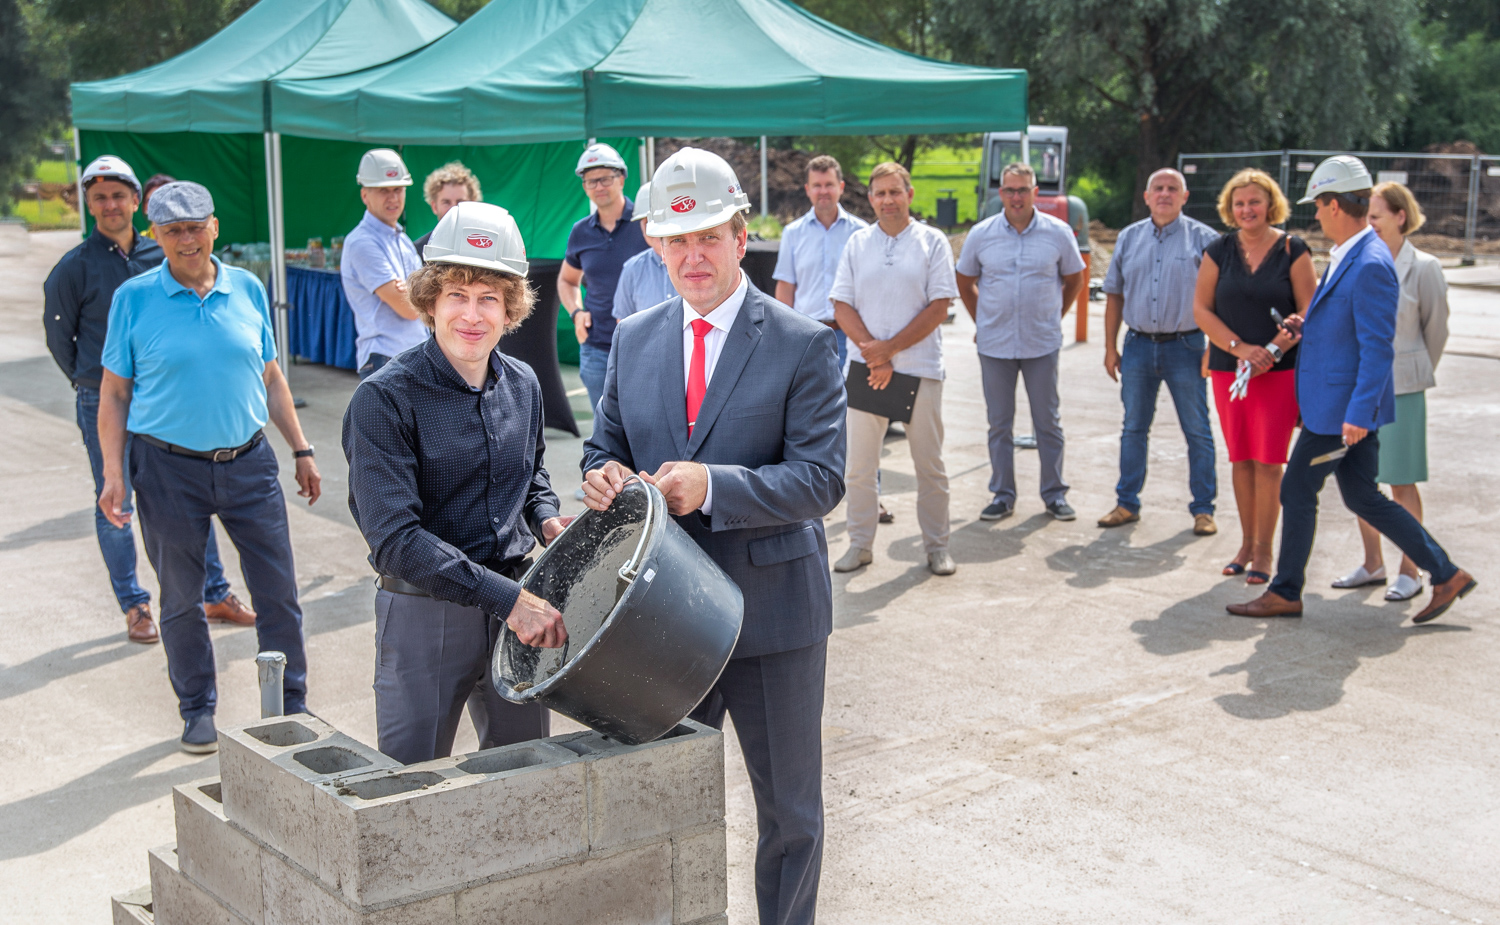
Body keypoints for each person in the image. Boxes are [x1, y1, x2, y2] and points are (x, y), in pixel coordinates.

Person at [582, 147, 845, 925]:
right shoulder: (634, 338)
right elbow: (605, 447)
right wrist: (601, 478)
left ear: (741, 236)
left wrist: (715, 485)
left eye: (710, 238)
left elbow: (821, 480)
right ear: (656, 248)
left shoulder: (802, 341)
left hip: (774, 618)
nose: (692, 256)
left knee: (790, 816)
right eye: (675, 241)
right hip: (661, 620)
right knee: (666, 811)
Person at [97, 182, 321, 753]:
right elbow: (115, 394)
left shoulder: (247, 288)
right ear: (156, 235)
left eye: (195, 226)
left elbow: (271, 377)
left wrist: (300, 449)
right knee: (180, 596)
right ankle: (197, 709)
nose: (186, 239)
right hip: (168, 469)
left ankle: (290, 704)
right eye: (172, 230)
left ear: (214, 226)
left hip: (248, 463)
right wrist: (114, 474)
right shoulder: (134, 298)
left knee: (278, 591)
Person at [343, 202, 569, 764]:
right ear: (430, 302)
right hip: (426, 617)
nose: (472, 315)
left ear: (510, 308)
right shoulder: (385, 398)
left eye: (489, 298)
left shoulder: (523, 382)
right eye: (457, 296)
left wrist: (546, 517)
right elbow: (395, 539)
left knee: (524, 777)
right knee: (409, 785)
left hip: (515, 603)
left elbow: (532, 470)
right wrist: (509, 598)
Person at [1228, 156, 1475, 623]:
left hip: (1342, 412)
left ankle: (1285, 591)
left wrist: (1359, 414)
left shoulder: (1370, 263)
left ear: (1334, 204)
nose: (1315, 215)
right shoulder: (1353, 253)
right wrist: (1311, 323)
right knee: (1363, 497)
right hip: (1338, 407)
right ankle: (1446, 573)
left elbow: (1378, 348)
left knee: (1297, 488)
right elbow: (1349, 325)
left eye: (1318, 206)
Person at [44, 156, 252, 646]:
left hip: (167, 397)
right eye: (99, 197)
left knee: (191, 491)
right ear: (88, 205)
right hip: (107, 399)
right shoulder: (73, 268)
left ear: (138, 201)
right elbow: (61, 339)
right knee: (115, 501)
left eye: (119, 195)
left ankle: (214, 593)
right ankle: (135, 606)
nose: (111, 205)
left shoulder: (160, 254)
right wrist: (91, 384)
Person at [832, 161, 959, 575]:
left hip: (919, 369)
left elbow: (939, 305)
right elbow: (841, 304)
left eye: (895, 191)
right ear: (870, 198)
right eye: (880, 193)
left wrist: (889, 351)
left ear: (910, 194)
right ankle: (860, 544)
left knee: (930, 465)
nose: (887, 200)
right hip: (866, 369)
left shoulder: (932, 242)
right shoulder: (857, 243)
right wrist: (875, 354)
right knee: (860, 467)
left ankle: (937, 546)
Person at [1330, 181, 1450, 602]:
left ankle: (1410, 570)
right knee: (1366, 482)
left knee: (1401, 482)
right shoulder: (1361, 259)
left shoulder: (1425, 267)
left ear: (1400, 216)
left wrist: (1413, 373)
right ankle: (1372, 563)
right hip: (1363, 389)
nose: (1369, 223)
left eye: (1376, 216)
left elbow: (1436, 332)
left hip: (1403, 390)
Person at [1193, 169, 1314, 584]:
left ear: (1270, 205)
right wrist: (1241, 349)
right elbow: (1202, 310)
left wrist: (1274, 350)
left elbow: (1308, 312)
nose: (1247, 209)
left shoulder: (1292, 249)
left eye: (1254, 202)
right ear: (1230, 207)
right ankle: (1245, 543)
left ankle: (1265, 552)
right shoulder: (1217, 250)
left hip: (1278, 374)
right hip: (1230, 371)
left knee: (1268, 463)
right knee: (1241, 459)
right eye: (1240, 203)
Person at [955, 162, 1086, 523]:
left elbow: (1075, 279)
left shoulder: (1058, 233)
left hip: (1041, 343)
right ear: (1001, 193)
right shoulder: (982, 235)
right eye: (1010, 190)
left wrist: (1053, 315)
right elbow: (964, 281)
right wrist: (983, 318)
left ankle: (1054, 494)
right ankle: (1002, 494)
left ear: (1035, 193)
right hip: (995, 345)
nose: (1016, 197)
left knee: (1048, 422)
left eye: (1023, 190)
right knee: (999, 423)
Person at [1097, 168, 1221, 534]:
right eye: (1158, 189)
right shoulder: (1129, 237)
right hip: (1137, 346)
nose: (1164, 194)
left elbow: (1221, 300)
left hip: (1187, 346)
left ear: (1185, 197)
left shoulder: (1205, 239)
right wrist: (1110, 347)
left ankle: (1203, 509)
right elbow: (1114, 295)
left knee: (1197, 430)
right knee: (1133, 427)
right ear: (1147, 196)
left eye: (1173, 189)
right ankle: (1126, 503)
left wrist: (1214, 348)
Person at [559, 143, 647, 413]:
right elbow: (567, 280)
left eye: (605, 178)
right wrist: (576, 313)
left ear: (621, 178)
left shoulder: (646, 224)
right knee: (604, 430)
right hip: (597, 348)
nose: (598, 186)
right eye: (590, 181)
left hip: (645, 347)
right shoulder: (580, 232)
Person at [773, 155, 869, 366]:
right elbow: (786, 286)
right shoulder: (793, 233)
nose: (823, 191)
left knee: (851, 399)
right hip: (807, 337)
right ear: (807, 189)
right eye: (817, 185)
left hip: (851, 337)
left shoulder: (862, 233)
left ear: (841, 187)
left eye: (829, 185)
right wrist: (784, 336)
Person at [341, 148, 426, 379]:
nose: (393, 198)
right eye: (383, 190)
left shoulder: (402, 239)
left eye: (398, 189)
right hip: (385, 359)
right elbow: (408, 308)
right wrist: (420, 293)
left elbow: (419, 297)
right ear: (364, 195)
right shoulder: (361, 242)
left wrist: (415, 292)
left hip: (412, 354)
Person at [611, 183, 677, 321]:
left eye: (660, 220)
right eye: (648, 222)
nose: (655, 229)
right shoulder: (632, 269)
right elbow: (623, 324)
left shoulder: (696, 261)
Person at [412, 161, 482, 255]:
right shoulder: (418, 251)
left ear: (473, 204)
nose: (453, 209)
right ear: (434, 207)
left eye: (460, 202)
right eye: (446, 202)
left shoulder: (485, 247)